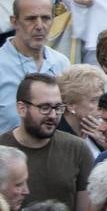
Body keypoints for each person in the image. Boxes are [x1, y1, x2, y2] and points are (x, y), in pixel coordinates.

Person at [0, 72, 92, 210]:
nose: (53, 115)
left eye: (58, 108)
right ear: (22, 108)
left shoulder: (77, 149)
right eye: (45, 108)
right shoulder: (2, 150)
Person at [0, 0, 69, 135]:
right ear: (14, 22)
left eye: (45, 18)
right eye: (31, 19)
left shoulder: (62, 63)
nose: (39, 26)